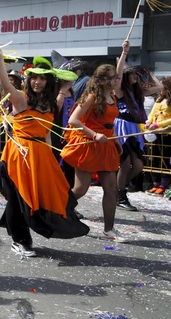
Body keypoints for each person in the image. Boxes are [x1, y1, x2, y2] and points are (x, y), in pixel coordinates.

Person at [0, 51, 89, 257]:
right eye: (34, 77)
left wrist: (52, 160)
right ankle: (20, 240)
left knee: (35, 197)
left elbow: (46, 134)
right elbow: (6, 85)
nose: (37, 82)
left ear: (48, 81)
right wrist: (0, 60)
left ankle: (19, 234)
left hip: (40, 156)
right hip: (19, 155)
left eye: (42, 78)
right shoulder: (22, 99)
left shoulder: (50, 104)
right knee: (19, 199)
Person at [61, 63, 124, 242]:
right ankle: (58, 211)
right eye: (112, 77)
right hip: (89, 144)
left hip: (107, 146)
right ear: (103, 80)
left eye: (116, 77)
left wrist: (116, 141)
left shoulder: (112, 95)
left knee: (111, 189)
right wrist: (94, 134)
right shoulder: (91, 96)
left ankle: (109, 229)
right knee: (80, 189)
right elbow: (74, 120)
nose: (116, 80)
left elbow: (110, 124)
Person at [113, 41, 146, 211]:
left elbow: (160, 87)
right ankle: (120, 195)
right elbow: (117, 77)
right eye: (133, 74)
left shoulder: (135, 93)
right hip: (121, 128)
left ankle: (116, 189)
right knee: (125, 164)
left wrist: (149, 75)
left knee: (138, 165)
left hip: (134, 129)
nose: (135, 77)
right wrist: (124, 54)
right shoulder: (119, 90)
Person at [144, 77, 171, 195]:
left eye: (162, 87)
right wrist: (148, 122)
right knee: (153, 157)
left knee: (164, 159)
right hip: (154, 133)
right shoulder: (159, 100)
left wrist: (158, 124)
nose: (160, 90)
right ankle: (156, 182)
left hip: (166, 133)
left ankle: (164, 184)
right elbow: (151, 113)